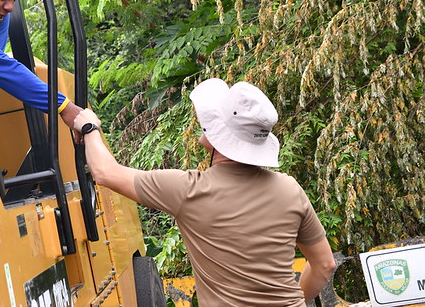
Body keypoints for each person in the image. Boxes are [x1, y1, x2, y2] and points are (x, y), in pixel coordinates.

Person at [72, 78, 336, 306]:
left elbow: (105, 173)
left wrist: (89, 127)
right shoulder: (290, 189)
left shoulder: (188, 189)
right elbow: (325, 264)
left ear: (219, 136)